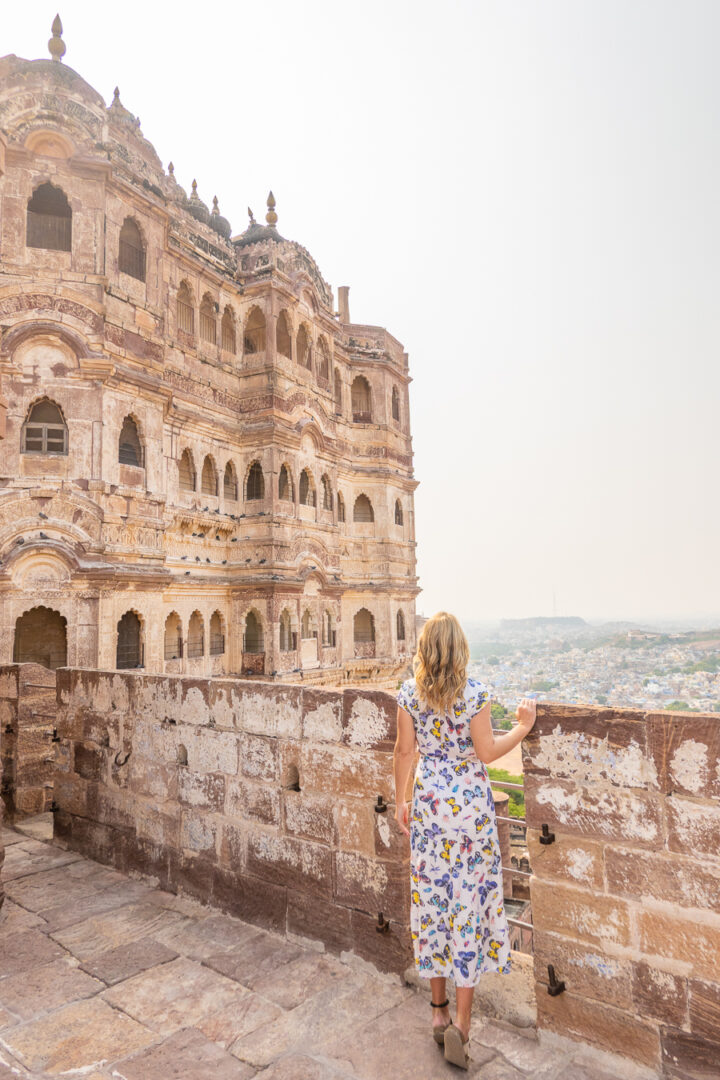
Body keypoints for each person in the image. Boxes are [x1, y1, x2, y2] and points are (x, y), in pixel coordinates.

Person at [393, 612, 537, 1069]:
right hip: (470, 815)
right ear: (460, 650)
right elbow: (488, 752)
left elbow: (404, 752)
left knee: (433, 905)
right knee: (468, 910)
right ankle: (462, 1024)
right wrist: (523, 727)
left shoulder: (409, 695)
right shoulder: (473, 695)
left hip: (430, 809)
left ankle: (437, 1014)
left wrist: (402, 802)